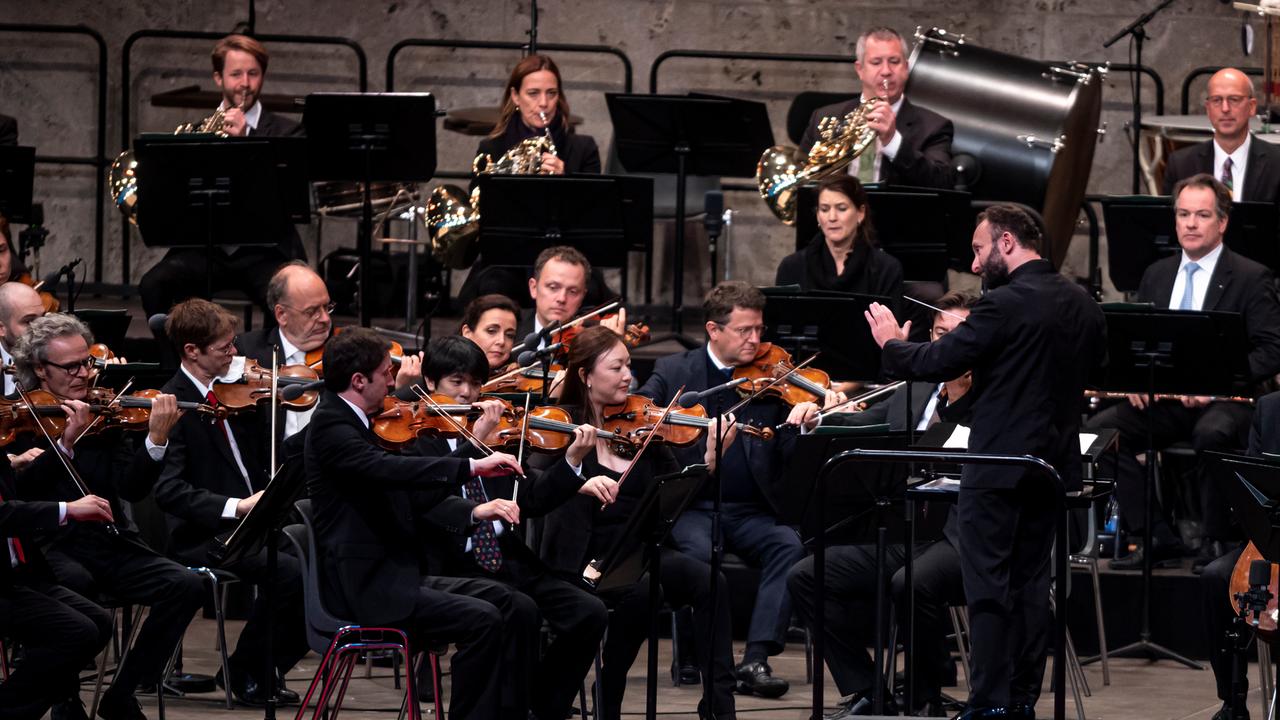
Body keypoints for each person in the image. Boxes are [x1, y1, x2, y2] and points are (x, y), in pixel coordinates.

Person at [864, 203, 1106, 719]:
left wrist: (891, 344)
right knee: (1030, 587)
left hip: (998, 469)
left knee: (989, 590)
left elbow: (938, 361)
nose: (974, 265)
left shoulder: (1004, 305)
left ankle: (989, 703)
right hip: (1051, 470)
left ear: (1007, 243)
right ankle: (1020, 700)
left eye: (978, 249)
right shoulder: (1084, 305)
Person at [304, 327, 524, 720]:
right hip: (366, 587)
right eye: (387, 373)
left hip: (395, 573)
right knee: (482, 618)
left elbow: (411, 494)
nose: (395, 382)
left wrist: (471, 470)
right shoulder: (332, 426)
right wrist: (471, 462)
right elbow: (386, 470)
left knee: (506, 601)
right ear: (359, 380)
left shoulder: (365, 422)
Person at [637, 281, 830, 698]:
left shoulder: (773, 378)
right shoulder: (674, 373)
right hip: (693, 503)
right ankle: (694, 651)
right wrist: (685, 432)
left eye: (759, 329)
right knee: (695, 554)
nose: (756, 341)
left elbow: (788, 450)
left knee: (788, 547)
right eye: (744, 331)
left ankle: (756, 658)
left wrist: (808, 426)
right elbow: (642, 420)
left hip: (750, 508)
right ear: (713, 329)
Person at [788, 292, 976, 717]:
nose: (948, 346)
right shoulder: (921, 385)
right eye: (941, 335)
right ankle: (868, 689)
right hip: (903, 528)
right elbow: (869, 423)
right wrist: (819, 418)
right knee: (807, 574)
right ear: (930, 338)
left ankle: (925, 696)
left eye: (960, 337)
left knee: (911, 582)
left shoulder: (994, 397)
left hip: (959, 535)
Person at [538, 324, 739, 720]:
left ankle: (719, 707)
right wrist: (575, 469)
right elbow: (537, 485)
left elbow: (679, 484)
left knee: (711, 580)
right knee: (644, 591)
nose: (628, 376)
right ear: (585, 375)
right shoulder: (563, 426)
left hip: (640, 549)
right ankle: (609, 692)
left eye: (629, 365)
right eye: (616, 368)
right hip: (588, 558)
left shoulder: (642, 427)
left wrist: (711, 459)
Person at [8, 313, 201, 720]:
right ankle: (65, 698)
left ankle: (124, 692)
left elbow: (130, 487)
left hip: (105, 541)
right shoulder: (19, 419)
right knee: (75, 583)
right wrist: (65, 442)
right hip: (50, 543)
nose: (84, 374)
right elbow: (20, 496)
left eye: (88, 362)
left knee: (184, 584)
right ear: (40, 369)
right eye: (71, 366)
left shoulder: (104, 411)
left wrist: (156, 440)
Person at [1087, 174, 1280, 573]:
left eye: (1202, 215)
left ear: (1222, 222)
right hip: (1166, 399)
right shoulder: (1156, 273)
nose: (1191, 224)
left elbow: (1272, 349)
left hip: (1226, 400)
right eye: (1183, 214)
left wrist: (1220, 383)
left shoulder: (1250, 275)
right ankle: (1156, 534)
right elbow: (1138, 340)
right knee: (1102, 434)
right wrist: (1136, 383)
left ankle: (1216, 540)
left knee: (1214, 434)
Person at [408, 334, 608, 720]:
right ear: (430, 383)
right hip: (451, 565)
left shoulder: (495, 436)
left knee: (589, 611)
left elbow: (531, 497)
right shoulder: (416, 440)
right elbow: (425, 504)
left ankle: (543, 706)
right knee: (519, 610)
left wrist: (571, 461)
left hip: (507, 560)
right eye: (456, 383)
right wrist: (476, 447)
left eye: (475, 383)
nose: (469, 394)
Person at [151, 298, 309, 706]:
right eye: (224, 348)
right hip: (207, 535)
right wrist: (235, 506)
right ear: (192, 351)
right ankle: (246, 667)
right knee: (290, 572)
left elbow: (264, 458)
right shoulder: (175, 404)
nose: (235, 354)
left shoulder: (234, 394)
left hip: (254, 524)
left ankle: (264, 664)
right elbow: (169, 491)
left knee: (327, 558)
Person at [136, 34, 305, 322]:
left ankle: (272, 361)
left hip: (264, 250)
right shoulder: (195, 133)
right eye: (236, 74)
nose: (245, 83)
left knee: (293, 297)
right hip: (206, 248)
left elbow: (288, 195)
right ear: (218, 78)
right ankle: (175, 364)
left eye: (253, 73)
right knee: (154, 284)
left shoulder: (288, 133)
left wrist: (246, 141)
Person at [459, 52, 610, 307]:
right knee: (493, 289)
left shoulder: (582, 148)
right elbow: (480, 214)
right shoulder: (492, 148)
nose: (544, 103)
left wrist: (565, 182)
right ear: (515, 96)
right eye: (533, 93)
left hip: (565, 259)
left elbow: (593, 216)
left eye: (551, 93)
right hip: (509, 259)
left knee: (592, 292)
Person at [0, 453, 114, 720]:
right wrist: (68, 509)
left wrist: (9, 463)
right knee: (76, 631)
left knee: (99, 623)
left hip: (17, 575)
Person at [1199, 389, 1280, 720]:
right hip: (1273, 541)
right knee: (1216, 576)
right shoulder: (1270, 407)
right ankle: (1233, 700)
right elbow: (1251, 485)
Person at [800, 27, 953, 189]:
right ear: (860, 70)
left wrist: (893, 141)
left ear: (906, 69)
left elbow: (941, 183)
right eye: (876, 62)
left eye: (894, 62)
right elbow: (802, 179)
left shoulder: (934, 126)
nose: (886, 71)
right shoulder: (824, 117)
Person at [1162, 68, 1280, 203]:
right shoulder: (1181, 164)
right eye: (1217, 100)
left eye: (1234, 99)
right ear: (1208, 108)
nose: (1225, 109)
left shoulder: (1276, 163)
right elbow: (1170, 221)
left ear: (1252, 106)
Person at [775, 175, 904, 297]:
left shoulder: (886, 269)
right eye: (825, 209)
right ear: (818, 216)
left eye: (841, 208)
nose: (832, 218)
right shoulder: (791, 267)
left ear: (860, 213)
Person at [0, 282, 48, 396]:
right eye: (28, 321)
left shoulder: (54, 361)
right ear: (1, 329)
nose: (40, 328)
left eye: (43, 318)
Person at [460, 293, 520, 373]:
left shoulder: (515, 373)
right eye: (491, 331)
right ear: (467, 333)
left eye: (510, 335)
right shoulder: (443, 376)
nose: (501, 341)